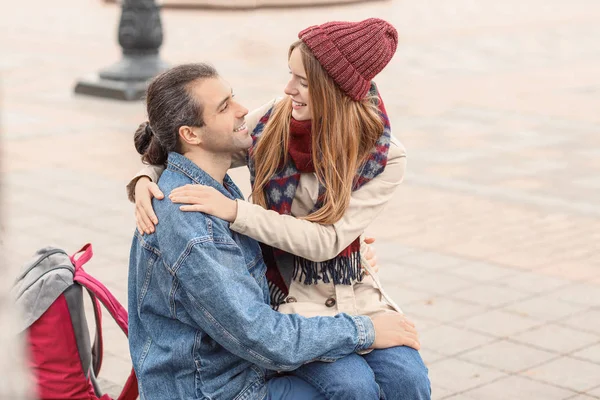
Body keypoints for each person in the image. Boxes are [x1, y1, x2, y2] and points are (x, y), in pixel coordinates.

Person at [130, 19, 431, 400]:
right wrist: (144, 179)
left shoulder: (383, 156)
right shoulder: (275, 121)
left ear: (333, 90)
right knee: (351, 386)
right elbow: (189, 138)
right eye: (290, 75)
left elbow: (326, 241)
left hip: (349, 288)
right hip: (288, 297)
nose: (288, 89)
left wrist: (235, 210)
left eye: (302, 81)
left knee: (409, 382)